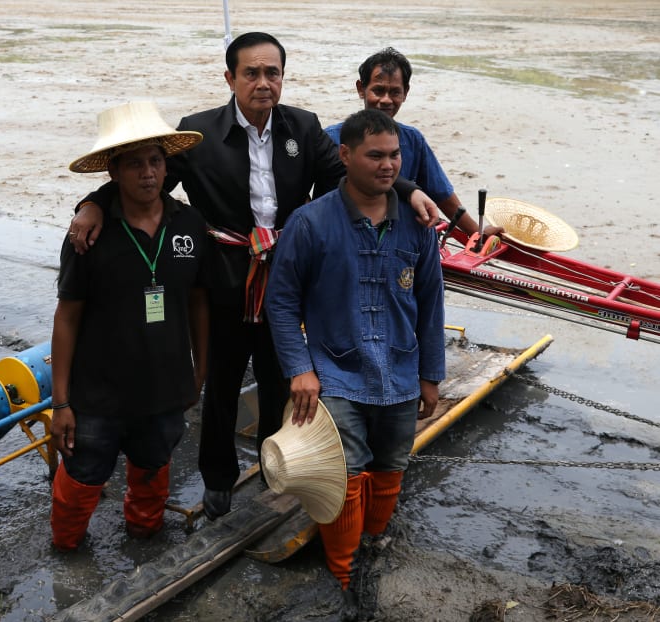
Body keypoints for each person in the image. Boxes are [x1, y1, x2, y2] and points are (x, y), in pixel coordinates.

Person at [66, 32, 439, 522]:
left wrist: (409, 190)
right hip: (221, 276)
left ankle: (276, 465)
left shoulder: (302, 128)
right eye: (252, 73)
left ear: (283, 77)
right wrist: (93, 204)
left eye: (273, 73)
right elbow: (146, 177)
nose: (263, 83)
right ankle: (218, 478)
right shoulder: (198, 133)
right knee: (220, 383)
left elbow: (357, 173)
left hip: (286, 275)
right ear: (231, 78)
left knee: (281, 377)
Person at [264, 108, 446, 619]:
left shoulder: (417, 224)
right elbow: (281, 302)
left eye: (394, 156)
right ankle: (344, 572)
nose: (388, 166)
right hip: (335, 373)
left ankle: (375, 548)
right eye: (375, 156)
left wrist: (432, 373)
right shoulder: (310, 223)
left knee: (392, 465)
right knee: (343, 472)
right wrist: (300, 368)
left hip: (402, 369)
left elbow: (432, 302)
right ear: (345, 156)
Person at [49, 101, 210, 550]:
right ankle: (65, 549)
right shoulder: (89, 235)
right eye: (134, 164)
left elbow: (199, 301)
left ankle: (144, 536)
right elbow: (67, 317)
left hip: (164, 388)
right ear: (113, 173)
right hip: (98, 393)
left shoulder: (190, 225)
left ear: (166, 167)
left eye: (155, 161)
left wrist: (199, 369)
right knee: (82, 477)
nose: (147, 173)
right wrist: (61, 402)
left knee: (154, 468)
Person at [325, 47, 503, 239]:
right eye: (378, 90)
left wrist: (477, 232)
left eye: (394, 92)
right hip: (344, 235)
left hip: (398, 238)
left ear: (405, 93)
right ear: (361, 89)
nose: (386, 100)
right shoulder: (331, 139)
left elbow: (442, 195)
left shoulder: (413, 140)